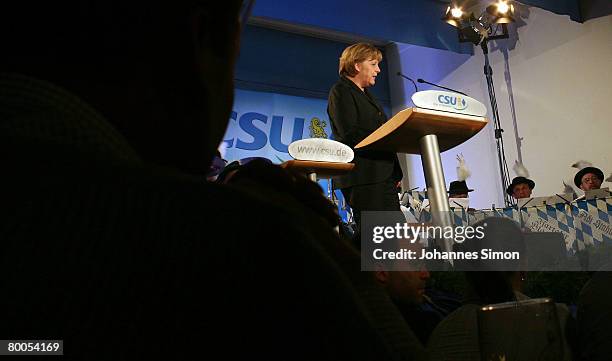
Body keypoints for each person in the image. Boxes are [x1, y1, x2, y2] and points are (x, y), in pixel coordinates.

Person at [0, 2, 427, 359]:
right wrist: (322, 252)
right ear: (207, 39)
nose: (377, 70)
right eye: (373, 63)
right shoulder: (225, 242)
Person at [327, 43, 403, 245]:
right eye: (374, 64)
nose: (378, 70)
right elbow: (350, 132)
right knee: (378, 240)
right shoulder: (341, 91)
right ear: (357, 65)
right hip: (364, 176)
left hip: (383, 176)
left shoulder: (368, 96)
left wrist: (395, 172)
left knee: (394, 238)